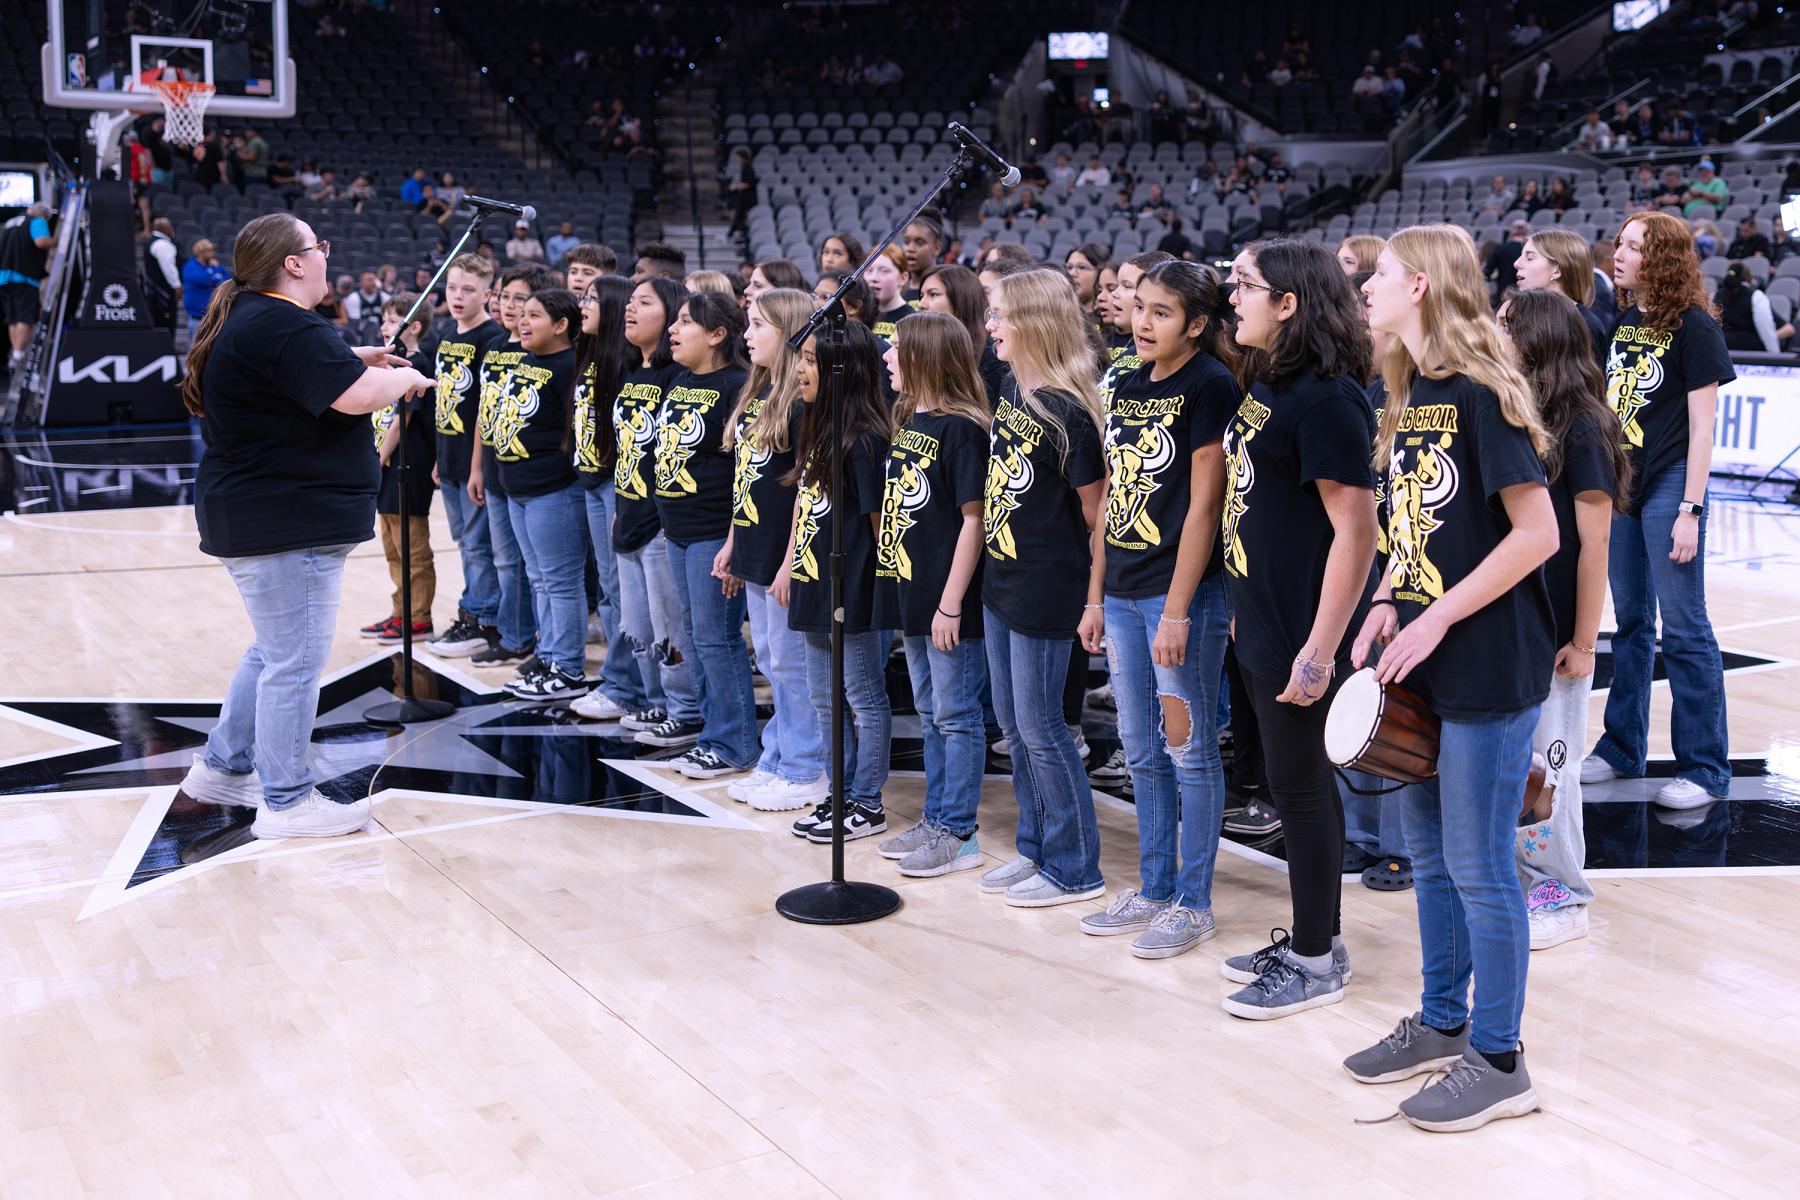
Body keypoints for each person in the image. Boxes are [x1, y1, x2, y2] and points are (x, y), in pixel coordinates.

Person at [1346, 224, 1560, 1132]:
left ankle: (1501, 1060)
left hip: (1488, 660)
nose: (1367, 287)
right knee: (1430, 858)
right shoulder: (1406, 390)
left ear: (1423, 285)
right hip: (1424, 658)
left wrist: (1436, 614)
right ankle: (1443, 1022)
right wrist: (1390, 595)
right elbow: (1418, 523)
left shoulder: (1478, 392)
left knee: (1480, 867)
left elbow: (1538, 534)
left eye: (1382, 274)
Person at [175, 212, 433, 839]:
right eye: (319, 246)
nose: (326, 254)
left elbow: (301, 373)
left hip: (262, 515)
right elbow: (355, 396)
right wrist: (404, 376)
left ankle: (221, 769)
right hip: (285, 522)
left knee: (273, 652)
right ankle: (287, 801)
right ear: (293, 263)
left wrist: (353, 358)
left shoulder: (258, 318)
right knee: (293, 662)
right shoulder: (284, 322)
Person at [1216, 238, 1379, 1018]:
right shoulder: (1269, 381)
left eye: (1245, 285)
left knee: (1302, 791)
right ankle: (1321, 939)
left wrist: (1320, 651)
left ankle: (1315, 962)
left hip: (1303, 633)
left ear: (1288, 303)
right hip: (1261, 617)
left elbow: (1358, 533)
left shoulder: (1327, 400)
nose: (1232, 297)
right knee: (1295, 784)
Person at [1078, 260, 1241, 959]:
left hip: (1181, 597)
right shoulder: (1128, 382)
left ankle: (1193, 903)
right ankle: (1153, 887)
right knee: (1140, 749)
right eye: (1139, 307)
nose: (1142, 322)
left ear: (1197, 325)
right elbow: (1114, 497)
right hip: (1120, 592)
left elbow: (1206, 506)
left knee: (1189, 750)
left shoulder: (1211, 384)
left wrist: (1177, 610)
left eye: (1161, 312)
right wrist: (1095, 594)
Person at [1583, 212, 1735, 807]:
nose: (1618, 254)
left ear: (1663, 259)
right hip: (1625, 483)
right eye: (1619, 243)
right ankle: (1623, 747)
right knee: (1630, 624)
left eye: (1633, 246)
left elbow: (1703, 429)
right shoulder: (1624, 321)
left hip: (1672, 482)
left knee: (1685, 626)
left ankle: (1705, 768)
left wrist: (1690, 509)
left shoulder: (1696, 327)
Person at [1496, 288, 1630, 951]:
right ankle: (1523, 882)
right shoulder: (1518, 413)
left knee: (1553, 771)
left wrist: (1583, 640)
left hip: (1558, 636)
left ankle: (1564, 895)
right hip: (1515, 626)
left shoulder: (1583, 426)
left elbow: (1594, 546)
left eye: (1505, 325)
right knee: (1519, 769)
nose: (1494, 333)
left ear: (1537, 339)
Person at [976, 270, 1108, 906]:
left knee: (1043, 729)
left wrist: (1094, 601)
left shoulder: (1068, 412)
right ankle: (1036, 848)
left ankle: (1076, 867)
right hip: (1000, 580)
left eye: (1000, 314)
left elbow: (1099, 519)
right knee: (1013, 727)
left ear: (1033, 322)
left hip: (1047, 591)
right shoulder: (1011, 386)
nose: (990, 326)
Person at [872, 311, 993, 877]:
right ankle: (937, 816)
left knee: (956, 715)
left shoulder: (963, 429)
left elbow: (975, 520)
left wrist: (950, 603)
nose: (887, 357)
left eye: (897, 348)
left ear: (926, 357)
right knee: (930, 712)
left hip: (949, 601)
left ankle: (959, 832)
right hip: (913, 591)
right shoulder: (910, 418)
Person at [779, 321, 896, 843]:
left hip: (853, 588)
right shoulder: (816, 424)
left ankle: (867, 801)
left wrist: (881, 593)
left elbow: (879, 525)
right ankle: (839, 793)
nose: (801, 370)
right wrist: (790, 564)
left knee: (864, 698)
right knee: (825, 699)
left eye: (811, 360)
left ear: (841, 370)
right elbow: (806, 500)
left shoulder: (866, 439)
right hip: (814, 579)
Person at [712, 288, 826, 808]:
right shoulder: (758, 394)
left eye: (759, 325)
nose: (747, 334)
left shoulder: (803, 405)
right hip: (754, 548)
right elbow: (746, 479)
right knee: (771, 660)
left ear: (791, 332)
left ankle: (807, 767)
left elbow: (807, 494)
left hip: (785, 555)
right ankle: (778, 756)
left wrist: (790, 564)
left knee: (792, 664)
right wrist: (733, 542)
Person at [654, 291, 757, 776]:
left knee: (717, 639)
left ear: (717, 335)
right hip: (677, 530)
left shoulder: (738, 386)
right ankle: (712, 734)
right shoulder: (679, 379)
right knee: (696, 638)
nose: (673, 330)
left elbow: (745, 473)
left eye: (685, 322)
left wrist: (736, 544)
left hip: (714, 534)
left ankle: (735, 743)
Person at [614, 276, 704, 742]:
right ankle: (656, 703)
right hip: (628, 513)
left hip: (660, 523)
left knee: (670, 627)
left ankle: (685, 709)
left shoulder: (676, 378)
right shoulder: (634, 370)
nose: (630, 309)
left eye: (643, 302)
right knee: (638, 624)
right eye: (629, 301)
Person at [495, 287, 589, 699]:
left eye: (534, 315)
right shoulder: (527, 360)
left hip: (554, 491)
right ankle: (549, 657)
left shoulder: (570, 367)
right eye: (523, 314)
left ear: (561, 325)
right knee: (539, 580)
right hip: (517, 488)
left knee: (560, 582)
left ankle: (568, 669)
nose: (523, 321)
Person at [568, 274, 647, 722]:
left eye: (592, 299)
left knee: (619, 589)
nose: (583, 304)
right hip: (591, 482)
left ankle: (625, 684)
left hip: (615, 485)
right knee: (609, 587)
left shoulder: (622, 363)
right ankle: (621, 680)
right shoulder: (591, 354)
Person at [427, 253, 508, 658]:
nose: (457, 296)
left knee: (478, 544)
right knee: (464, 541)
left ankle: (484, 620)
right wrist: (440, 457)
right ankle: (473, 611)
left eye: (469, 290)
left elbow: (484, 409)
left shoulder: (491, 339)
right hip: (450, 456)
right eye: (453, 288)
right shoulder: (448, 333)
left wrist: (476, 465)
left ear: (488, 295)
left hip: (475, 461)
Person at [466, 264, 544, 669]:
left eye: (521, 299)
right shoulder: (495, 345)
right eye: (505, 296)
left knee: (533, 567)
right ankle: (514, 635)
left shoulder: (535, 351)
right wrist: (476, 467)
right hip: (494, 471)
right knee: (505, 560)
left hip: (526, 474)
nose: (510, 306)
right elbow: (484, 411)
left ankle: (533, 640)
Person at [359, 294, 438, 644]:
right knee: (393, 548)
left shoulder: (417, 365)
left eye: (392, 321)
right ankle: (400, 613)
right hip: (388, 467)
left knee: (413, 549)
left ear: (413, 326)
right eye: (384, 319)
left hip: (409, 464)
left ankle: (418, 618)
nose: (384, 327)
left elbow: (400, 421)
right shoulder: (389, 365)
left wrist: (375, 460)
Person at [1514, 228, 1612, 362]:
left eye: (1529, 258)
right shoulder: (1521, 316)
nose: (1517, 263)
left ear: (1557, 271)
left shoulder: (1586, 327)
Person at [918, 263, 1004, 406]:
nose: (921, 303)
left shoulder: (994, 354)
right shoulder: (923, 346)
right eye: (921, 296)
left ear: (960, 299)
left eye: (933, 294)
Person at [1, 202, 54, 376]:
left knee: (13, 318)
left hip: (4, 277)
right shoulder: (37, 221)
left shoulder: (11, 222)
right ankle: (18, 355)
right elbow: (41, 242)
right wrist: (57, 241)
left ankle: (15, 354)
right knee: (26, 316)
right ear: (44, 215)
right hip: (24, 276)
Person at [1717, 262, 1789, 352]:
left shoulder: (1716, 295)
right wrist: (1774, 352)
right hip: (1751, 353)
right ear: (1747, 277)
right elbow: (1765, 328)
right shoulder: (1756, 296)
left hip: (1722, 349)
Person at [143, 217, 181, 338]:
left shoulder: (152, 241)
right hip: (163, 293)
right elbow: (168, 267)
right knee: (165, 324)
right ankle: (167, 346)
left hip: (154, 291)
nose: (172, 229)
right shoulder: (162, 244)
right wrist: (177, 285)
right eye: (170, 226)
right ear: (163, 228)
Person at [865, 245, 912, 341]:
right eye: (869, 270)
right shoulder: (859, 316)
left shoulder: (912, 320)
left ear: (903, 278)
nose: (873, 278)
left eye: (884, 271)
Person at [180, 238, 229, 330]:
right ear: (201, 253)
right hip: (197, 318)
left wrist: (217, 269)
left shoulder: (212, 266)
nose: (212, 253)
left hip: (213, 316)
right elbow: (205, 280)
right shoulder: (191, 267)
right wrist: (216, 272)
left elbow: (227, 281)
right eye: (209, 250)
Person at [900, 213, 945, 299]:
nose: (910, 249)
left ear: (937, 248)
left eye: (920, 242)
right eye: (906, 242)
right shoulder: (896, 291)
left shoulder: (947, 288)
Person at [1485, 220, 1530, 301]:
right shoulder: (1530, 251)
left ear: (1512, 231)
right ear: (1526, 232)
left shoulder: (1501, 248)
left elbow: (1488, 271)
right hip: (1526, 295)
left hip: (1504, 295)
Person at [724, 147, 757, 243]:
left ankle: (730, 235)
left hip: (748, 199)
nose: (737, 160)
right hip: (744, 198)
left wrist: (736, 186)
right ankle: (736, 236)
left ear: (743, 157)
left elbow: (749, 184)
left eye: (738, 157)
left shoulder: (748, 168)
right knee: (740, 218)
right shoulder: (744, 167)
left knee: (739, 217)